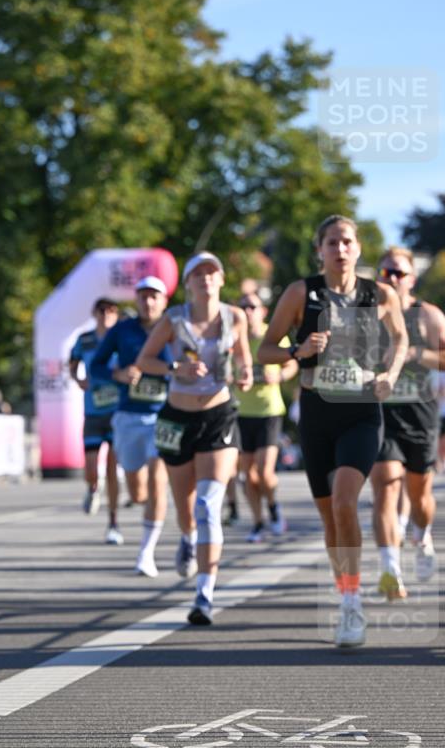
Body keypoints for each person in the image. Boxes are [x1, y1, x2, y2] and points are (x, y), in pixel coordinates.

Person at [258, 215, 407, 648]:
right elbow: (267, 349)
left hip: (362, 409)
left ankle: (352, 605)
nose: (340, 250)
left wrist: (391, 375)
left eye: (346, 242)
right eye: (331, 243)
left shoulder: (379, 294)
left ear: (358, 249)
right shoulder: (300, 293)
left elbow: (400, 340)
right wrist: (297, 350)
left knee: (345, 501)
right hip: (317, 410)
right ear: (319, 250)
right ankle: (345, 590)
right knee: (330, 518)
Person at [136, 251, 253, 625]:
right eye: (198, 273)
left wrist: (246, 375)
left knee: (207, 504)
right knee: (185, 506)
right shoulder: (173, 319)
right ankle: (187, 538)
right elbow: (145, 361)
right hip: (177, 417)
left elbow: (245, 360)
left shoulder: (236, 317)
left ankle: (204, 594)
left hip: (219, 416)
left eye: (212, 272)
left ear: (221, 280)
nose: (206, 278)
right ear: (188, 283)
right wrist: (176, 367)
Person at [370, 247, 445, 598]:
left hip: (419, 414)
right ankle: (389, 568)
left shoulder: (427, 315)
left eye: (399, 273)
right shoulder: (367, 316)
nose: (392, 279)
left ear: (412, 279)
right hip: (381, 413)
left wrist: (415, 353)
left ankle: (422, 535)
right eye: (386, 273)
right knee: (385, 486)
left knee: (419, 493)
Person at [90, 277, 170, 576]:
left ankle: (146, 554)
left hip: (164, 415)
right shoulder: (122, 330)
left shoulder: (174, 328)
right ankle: (144, 501)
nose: (149, 302)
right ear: (136, 300)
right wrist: (119, 374)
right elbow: (96, 366)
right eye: (144, 296)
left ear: (164, 301)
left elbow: (192, 362)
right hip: (128, 416)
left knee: (158, 479)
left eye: (155, 297)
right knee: (138, 492)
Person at [235, 291, 297, 541]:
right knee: (246, 475)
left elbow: (292, 363)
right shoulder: (232, 340)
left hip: (268, 411)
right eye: (243, 307)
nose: (248, 311)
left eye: (252, 306)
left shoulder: (272, 336)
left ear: (262, 311)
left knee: (264, 472)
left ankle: (273, 506)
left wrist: (279, 376)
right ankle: (258, 521)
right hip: (240, 411)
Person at [69, 297, 123, 544]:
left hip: (117, 411)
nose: (106, 314)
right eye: (101, 310)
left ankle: (113, 522)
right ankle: (92, 488)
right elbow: (73, 361)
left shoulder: (121, 338)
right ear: (94, 313)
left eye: (111, 310)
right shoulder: (86, 339)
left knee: (112, 467)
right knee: (91, 468)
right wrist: (78, 379)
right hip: (92, 410)